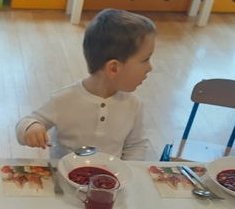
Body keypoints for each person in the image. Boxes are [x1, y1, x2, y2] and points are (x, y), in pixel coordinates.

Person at [15, 9, 155, 161]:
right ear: (114, 68)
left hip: (109, 174)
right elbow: (26, 122)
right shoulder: (63, 100)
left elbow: (135, 145)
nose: (150, 68)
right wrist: (32, 127)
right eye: (145, 60)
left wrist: (130, 169)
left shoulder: (133, 105)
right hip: (62, 172)